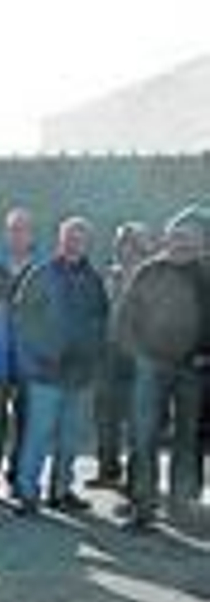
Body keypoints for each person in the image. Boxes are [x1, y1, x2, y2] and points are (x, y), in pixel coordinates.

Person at [115, 207, 209, 530]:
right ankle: (143, 506)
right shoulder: (147, 272)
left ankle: (180, 506)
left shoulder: (206, 273)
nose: (182, 243)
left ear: (200, 242)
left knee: (187, 438)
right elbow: (126, 319)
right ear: (167, 238)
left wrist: (204, 355)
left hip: (192, 371)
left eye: (190, 238)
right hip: (151, 367)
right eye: (177, 236)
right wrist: (139, 354)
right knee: (144, 436)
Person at [10, 217, 110, 516]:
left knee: (70, 437)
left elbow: (101, 322)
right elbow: (23, 320)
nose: (74, 243)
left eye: (80, 238)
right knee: (37, 435)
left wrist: (92, 358)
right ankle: (28, 494)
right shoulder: (40, 275)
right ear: (59, 240)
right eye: (69, 237)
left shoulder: (94, 280)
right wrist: (36, 358)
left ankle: (61, 490)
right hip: (45, 371)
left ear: (87, 243)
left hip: (80, 374)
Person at [0, 208, 39, 502]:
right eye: (13, 229)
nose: (18, 234)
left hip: (31, 361)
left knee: (28, 423)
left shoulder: (43, 271)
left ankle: (18, 478)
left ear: (32, 235)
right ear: (5, 233)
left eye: (23, 229)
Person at [91, 222, 151, 490]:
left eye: (131, 243)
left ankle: (136, 476)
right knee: (105, 415)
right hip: (107, 352)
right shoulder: (110, 275)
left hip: (140, 355)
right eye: (122, 243)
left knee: (137, 417)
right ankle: (108, 469)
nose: (126, 249)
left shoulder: (153, 274)